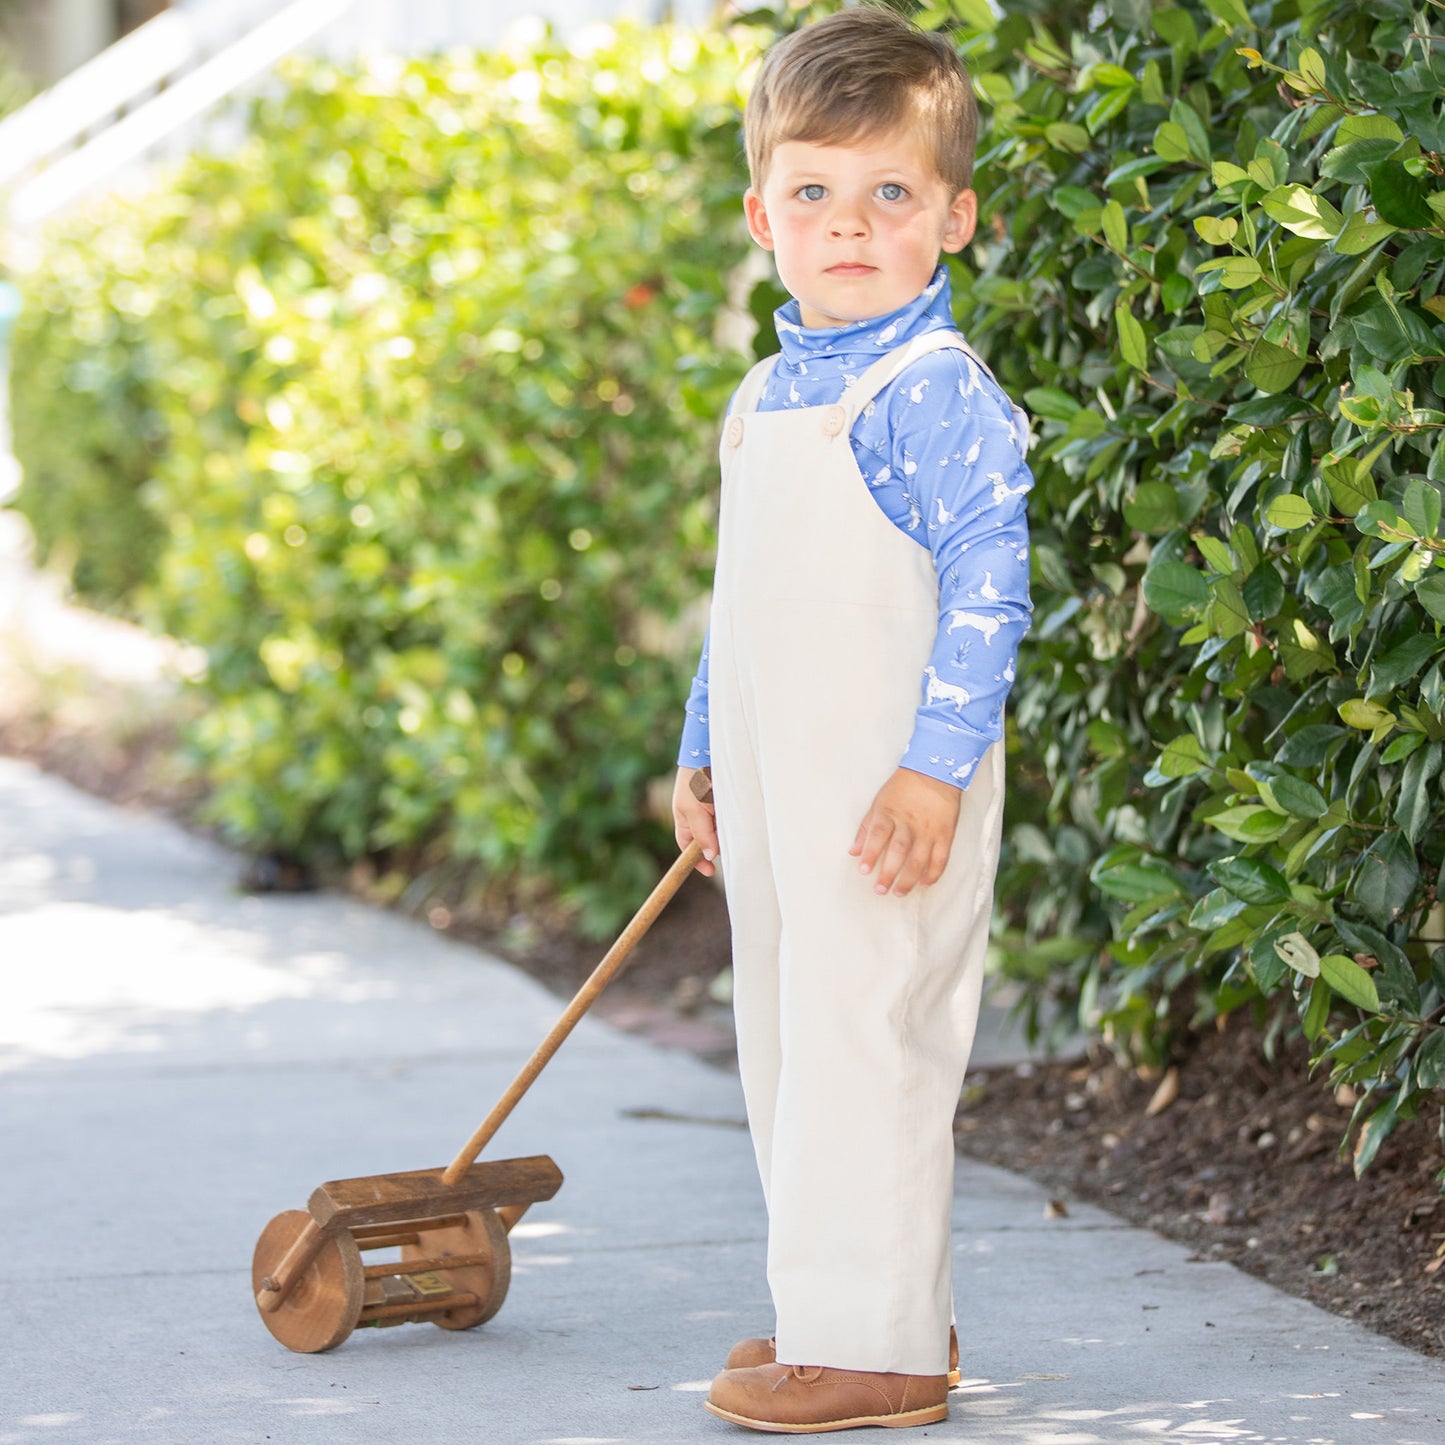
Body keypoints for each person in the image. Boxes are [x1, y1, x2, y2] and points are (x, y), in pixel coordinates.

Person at [670, 6, 1033, 1434]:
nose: (847, 225)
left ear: (951, 217)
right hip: (782, 793)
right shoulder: (767, 393)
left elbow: (984, 598)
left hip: (890, 802)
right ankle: (842, 1306)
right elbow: (737, 605)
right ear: (763, 212)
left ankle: (879, 1347)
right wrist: (704, 753)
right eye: (813, 192)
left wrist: (933, 772)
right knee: (789, 1036)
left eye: (888, 194)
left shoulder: (933, 396)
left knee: (869, 1042)